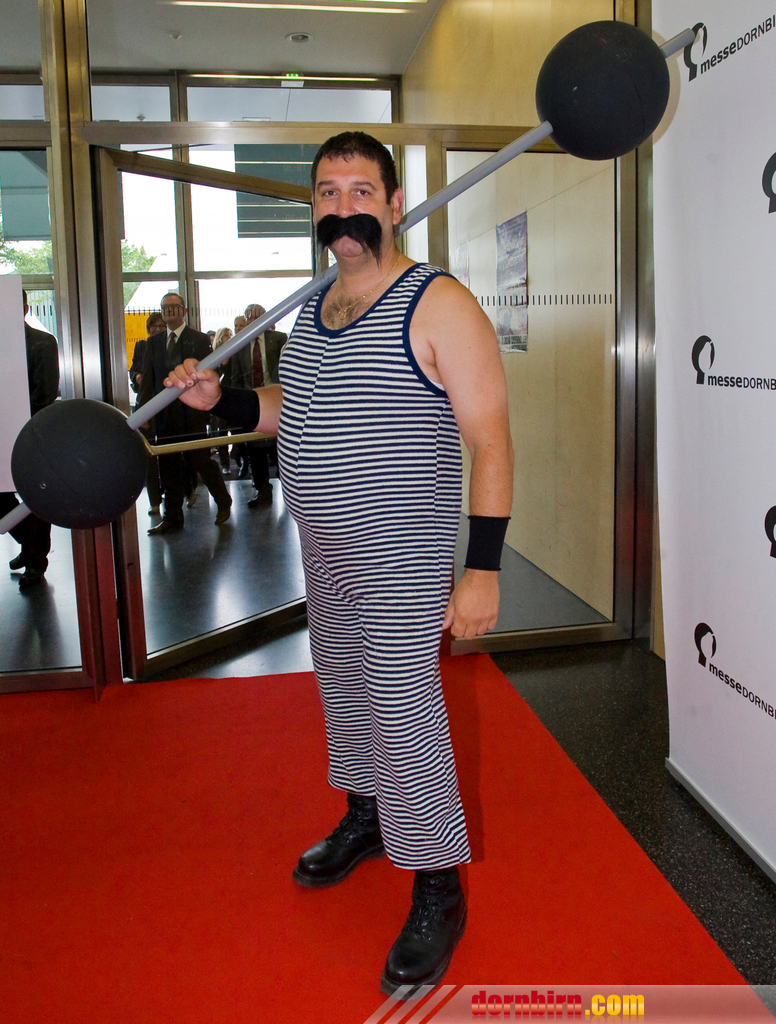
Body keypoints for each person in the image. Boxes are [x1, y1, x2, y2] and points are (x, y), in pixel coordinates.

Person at [164, 132, 513, 997]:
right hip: (324, 550)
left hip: (402, 555)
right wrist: (222, 398)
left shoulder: (438, 304)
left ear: (393, 204)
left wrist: (482, 570)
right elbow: (292, 406)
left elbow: (490, 441)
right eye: (327, 192)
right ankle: (368, 816)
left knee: (405, 712)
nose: (342, 206)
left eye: (361, 190)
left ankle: (437, 883)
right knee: (346, 688)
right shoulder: (318, 306)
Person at [137, 292, 233, 533]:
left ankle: (223, 501)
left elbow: (209, 374)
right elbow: (148, 380)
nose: (169, 310)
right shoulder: (153, 343)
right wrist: (143, 412)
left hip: (193, 414)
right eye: (164, 307)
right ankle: (172, 518)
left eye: (174, 306)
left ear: (184, 311)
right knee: (168, 465)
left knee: (199, 460)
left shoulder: (198, 339)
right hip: (165, 416)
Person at [2, 291, 60, 589]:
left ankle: (36, 560)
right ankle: (30, 545)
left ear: (25, 308)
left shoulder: (42, 342)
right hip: (3, 433)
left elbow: (45, 394)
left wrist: (17, 423)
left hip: (31, 433)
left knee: (36, 495)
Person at [222, 303, 287, 509]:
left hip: (277, 404)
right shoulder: (240, 344)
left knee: (280, 452)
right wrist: (239, 407)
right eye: (250, 317)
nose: (254, 320)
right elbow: (236, 378)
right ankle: (263, 492)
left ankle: (290, 492)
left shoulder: (279, 339)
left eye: (258, 316)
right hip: (252, 405)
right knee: (255, 453)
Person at [130, 311, 166, 516]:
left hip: (167, 406)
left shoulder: (170, 346)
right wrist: (137, 376)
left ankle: (184, 491)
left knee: (170, 454)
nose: (157, 329)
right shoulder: (141, 346)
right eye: (154, 326)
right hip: (145, 406)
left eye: (161, 326)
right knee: (149, 456)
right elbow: (133, 369)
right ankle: (154, 501)